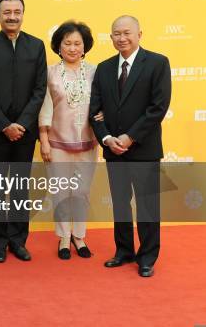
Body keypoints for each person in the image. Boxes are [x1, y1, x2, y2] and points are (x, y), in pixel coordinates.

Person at [89, 15, 171, 277]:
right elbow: (95, 111)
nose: (121, 38)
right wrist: (107, 138)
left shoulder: (157, 63)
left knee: (147, 205)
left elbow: (157, 108)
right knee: (120, 203)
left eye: (126, 33)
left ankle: (147, 257)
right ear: (110, 37)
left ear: (139, 34)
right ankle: (123, 250)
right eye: (116, 34)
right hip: (114, 150)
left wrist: (130, 137)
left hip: (144, 149)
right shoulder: (103, 68)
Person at [0, 0, 47, 263]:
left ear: (23, 14)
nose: (12, 16)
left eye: (17, 11)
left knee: (20, 188)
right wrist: (5, 125)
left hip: (25, 133)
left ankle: (18, 240)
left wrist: (22, 124)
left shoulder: (36, 46)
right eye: (6, 12)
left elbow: (40, 90)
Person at [38, 21, 100, 260]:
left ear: (85, 47)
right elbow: (45, 107)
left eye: (77, 43)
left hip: (88, 142)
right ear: (58, 46)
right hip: (56, 142)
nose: (72, 48)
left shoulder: (96, 72)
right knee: (62, 192)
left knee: (82, 191)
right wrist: (43, 139)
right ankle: (64, 237)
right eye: (67, 43)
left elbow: (104, 102)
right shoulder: (50, 73)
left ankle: (79, 236)